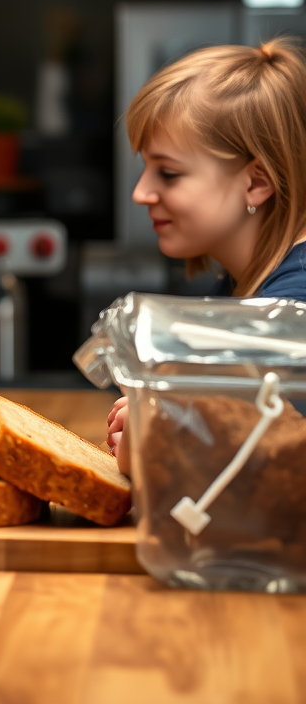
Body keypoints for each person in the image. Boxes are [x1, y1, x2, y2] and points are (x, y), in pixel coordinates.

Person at [106, 37, 306, 475]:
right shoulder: (239, 286)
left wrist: (163, 442)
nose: (141, 193)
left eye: (168, 173)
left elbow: (275, 465)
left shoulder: (294, 310)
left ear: (256, 183)